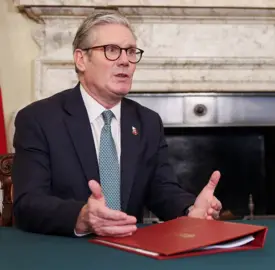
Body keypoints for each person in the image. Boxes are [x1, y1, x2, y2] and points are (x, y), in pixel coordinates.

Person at [12, 10, 222, 237]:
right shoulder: (39, 119)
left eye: (131, 52)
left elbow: (161, 189)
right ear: (81, 59)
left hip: (131, 250)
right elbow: (28, 203)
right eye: (111, 50)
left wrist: (190, 210)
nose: (125, 60)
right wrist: (81, 217)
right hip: (67, 252)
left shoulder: (148, 122)